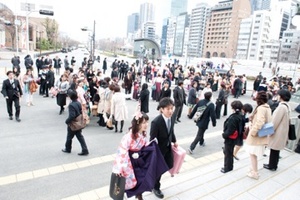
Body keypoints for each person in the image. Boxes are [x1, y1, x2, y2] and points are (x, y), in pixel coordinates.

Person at [150, 97, 178, 199]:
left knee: (168, 165)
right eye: (168, 109)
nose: (170, 111)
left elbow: (171, 131)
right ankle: (155, 187)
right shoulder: (156, 122)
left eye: (172, 108)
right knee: (159, 169)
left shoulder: (171, 118)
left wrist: (174, 141)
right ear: (162, 109)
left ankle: (154, 179)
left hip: (167, 148)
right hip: (159, 151)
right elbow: (152, 139)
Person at [244, 91, 272, 180]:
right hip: (262, 133)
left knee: (252, 153)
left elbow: (260, 121)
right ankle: (253, 169)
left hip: (256, 135)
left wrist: (253, 131)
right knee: (253, 153)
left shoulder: (261, 108)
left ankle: (255, 173)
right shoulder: (267, 107)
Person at [264, 89, 291, 171]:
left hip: (278, 132)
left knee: (274, 149)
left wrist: (268, 132)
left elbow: (275, 121)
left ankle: (272, 165)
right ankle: (273, 165)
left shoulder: (281, 107)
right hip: (282, 131)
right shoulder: (286, 106)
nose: (277, 96)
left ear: (281, 96)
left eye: (278, 95)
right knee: (276, 150)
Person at [62, 90, 89, 156]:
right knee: (79, 136)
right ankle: (85, 149)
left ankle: (68, 149)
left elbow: (72, 115)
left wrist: (67, 121)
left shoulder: (71, 105)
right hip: (78, 122)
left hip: (73, 123)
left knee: (69, 137)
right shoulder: (78, 103)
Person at [221, 100, 244, 173]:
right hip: (237, 137)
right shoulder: (241, 115)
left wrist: (224, 135)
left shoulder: (233, 118)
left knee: (228, 152)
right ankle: (229, 166)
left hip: (230, 138)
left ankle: (227, 167)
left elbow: (230, 130)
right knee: (229, 152)